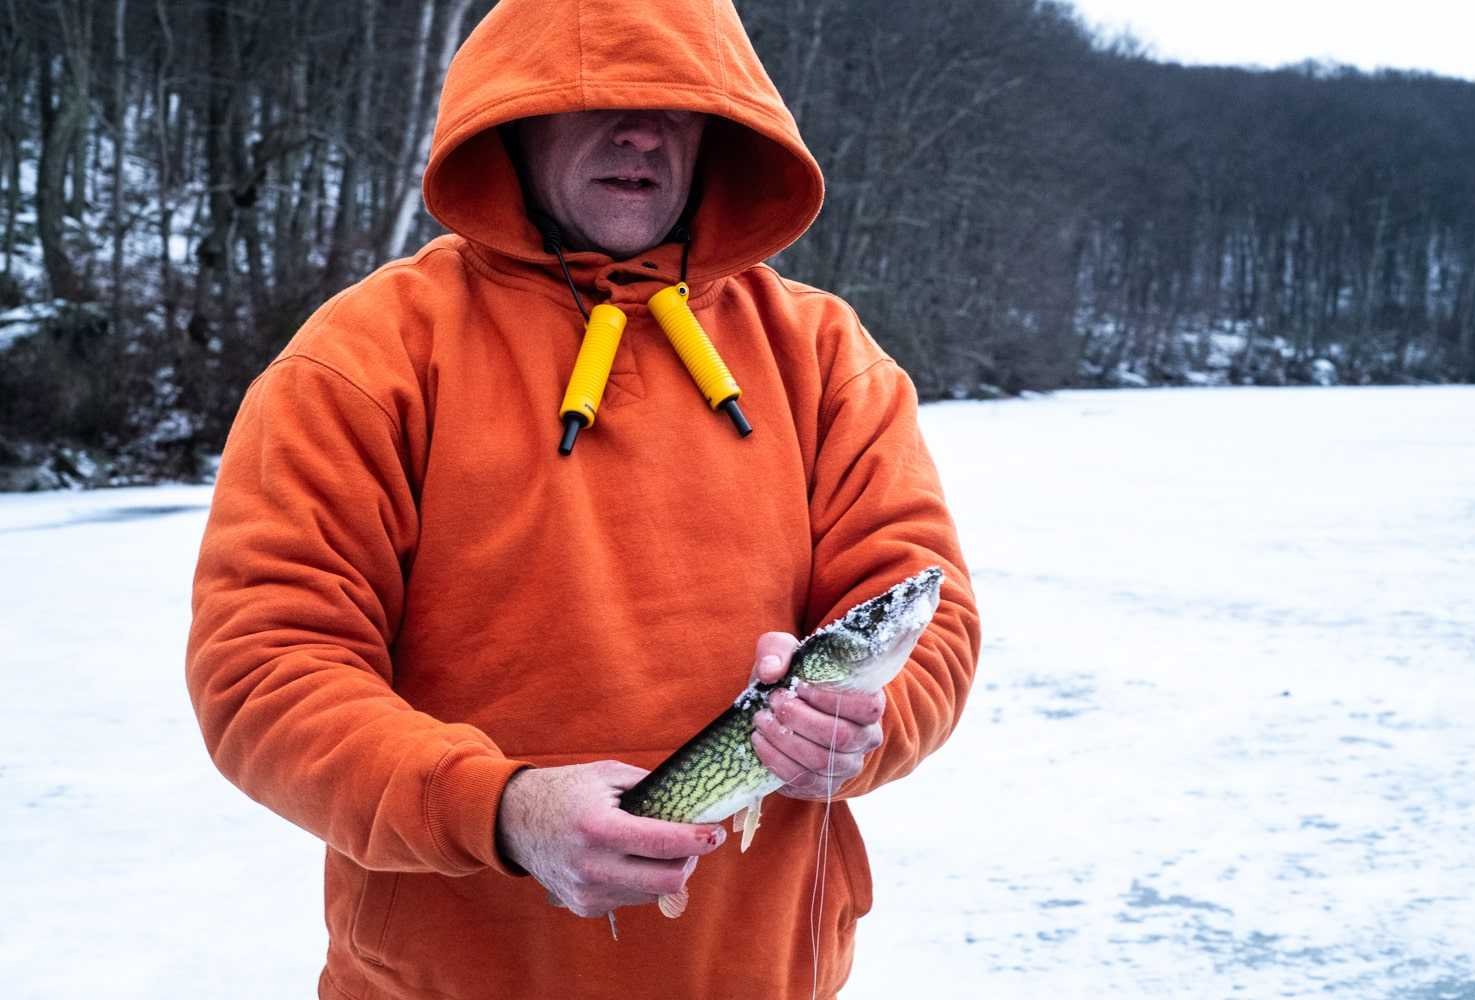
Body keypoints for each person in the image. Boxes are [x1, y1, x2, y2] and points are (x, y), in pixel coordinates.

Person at [185, 1, 979, 997]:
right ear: (515, 113)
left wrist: (862, 722)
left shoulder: (824, 359)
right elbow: (265, 672)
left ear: (720, 124)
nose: (642, 130)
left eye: (677, 101)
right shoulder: (361, 360)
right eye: (600, 97)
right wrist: (501, 807)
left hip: (763, 975)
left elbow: (923, 611)